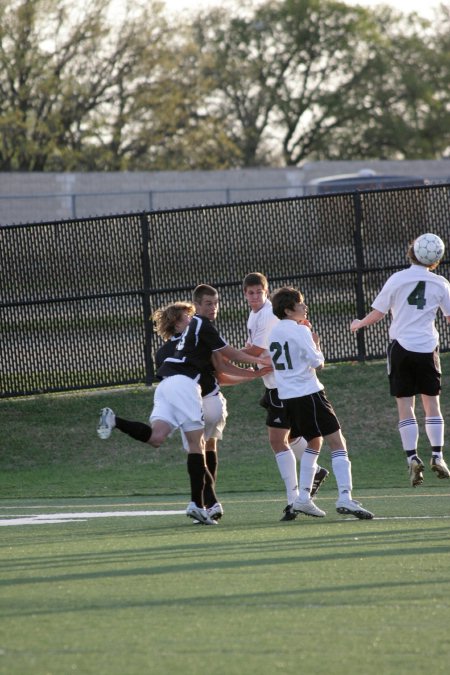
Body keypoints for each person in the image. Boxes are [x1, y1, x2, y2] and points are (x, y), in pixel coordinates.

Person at [97, 285, 271, 526]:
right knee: (197, 446)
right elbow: (227, 357)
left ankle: (115, 420)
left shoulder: (170, 346)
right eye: (206, 304)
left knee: (157, 438)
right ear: (181, 321)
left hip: (165, 387)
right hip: (186, 386)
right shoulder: (200, 326)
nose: (206, 310)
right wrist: (258, 361)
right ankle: (197, 504)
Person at [153, 299, 271, 522]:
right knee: (208, 448)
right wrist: (254, 373)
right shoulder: (197, 341)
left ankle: (207, 502)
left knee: (196, 454)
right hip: (211, 399)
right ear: (176, 324)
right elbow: (222, 371)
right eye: (187, 317)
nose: (192, 320)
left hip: (190, 402)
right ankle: (208, 504)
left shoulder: (163, 352)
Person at [350, 233, 450, 487]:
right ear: (436, 258)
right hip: (427, 348)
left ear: (412, 252)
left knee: (405, 406)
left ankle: (412, 458)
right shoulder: (440, 283)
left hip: (401, 349)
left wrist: (359, 323)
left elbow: (378, 313)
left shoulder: (397, 279)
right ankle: (437, 455)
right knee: (432, 405)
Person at [268, 285, 374, 520]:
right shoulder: (300, 331)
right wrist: (315, 342)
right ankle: (345, 497)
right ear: (288, 310)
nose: (305, 307)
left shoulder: (274, 332)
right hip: (309, 393)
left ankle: (303, 498)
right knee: (337, 442)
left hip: (288, 397)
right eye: (300, 304)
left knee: (313, 442)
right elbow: (318, 363)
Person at [242, 272, 329, 522]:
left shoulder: (271, 315)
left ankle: (294, 500)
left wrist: (222, 357)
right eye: (251, 292)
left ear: (267, 293)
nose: (256, 296)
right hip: (276, 385)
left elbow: (258, 350)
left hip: (285, 387)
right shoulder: (256, 314)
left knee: (280, 440)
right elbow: (257, 350)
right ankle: (313, 477)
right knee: (289, 437)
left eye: (259, 291)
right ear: (245, 294)